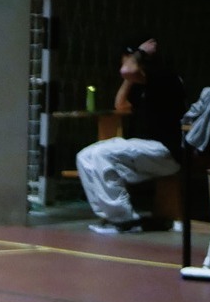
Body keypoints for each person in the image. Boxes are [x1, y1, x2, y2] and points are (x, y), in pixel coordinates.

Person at [76, 39, 185, 234]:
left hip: (165, 151)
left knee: (101, 154)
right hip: (147, 152)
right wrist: (129, 77)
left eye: (128, 60)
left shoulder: (164, 77)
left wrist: (140, 53)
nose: (124, 66)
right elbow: (121, 105)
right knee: (84, 156)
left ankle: (124, 220)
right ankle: (112, 217)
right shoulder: (141, 84)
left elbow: (128, 71)